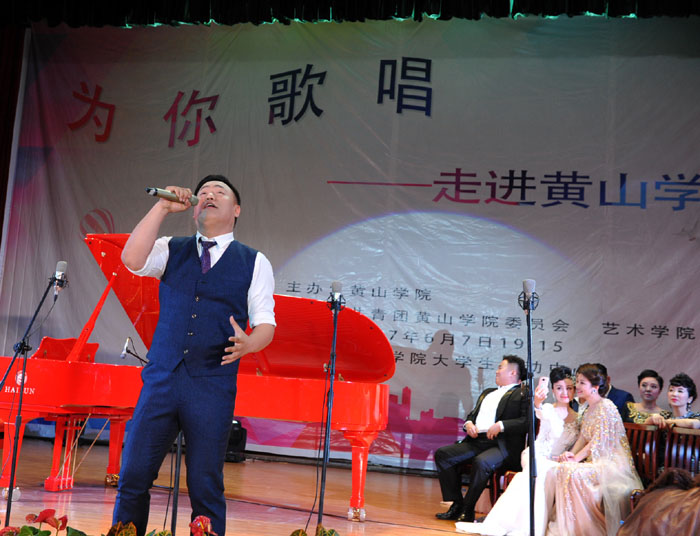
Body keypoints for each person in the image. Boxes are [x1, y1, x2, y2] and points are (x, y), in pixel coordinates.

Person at [112, 175, 276, 536]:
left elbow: (266, 322)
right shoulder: (172, 247)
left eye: (220, 192)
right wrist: (162, 207)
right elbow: (131, 259)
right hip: (162, 379)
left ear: (236, 209)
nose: (209, 195)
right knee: (134, 474)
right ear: (193, 209)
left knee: (205, 484)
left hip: (211, 386)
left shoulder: (254, 261)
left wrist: (250, 343)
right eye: (203, 193)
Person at [456, 366, 579, 536]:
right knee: (540, 469)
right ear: (552, 390)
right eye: (559, 388)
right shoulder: (548, 409)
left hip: (559, 460)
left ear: (575, 390)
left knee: (548, 471)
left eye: (569, 388)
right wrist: (537, 402)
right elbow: (539, 411)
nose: (564, 392)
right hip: (538, 454)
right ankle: (519, 524)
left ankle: (533, 524)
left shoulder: (579, 418)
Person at [546, 363, 641, 536]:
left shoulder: (606, 406)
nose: (577, 386)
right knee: (564, 468)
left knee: (572, 472)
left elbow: (598, 441)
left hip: (611, 463)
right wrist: (571, 455)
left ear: (595, 387)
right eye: (577, 381)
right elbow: (583, 438)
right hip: (594, 461)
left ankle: (587, 528)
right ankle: (571, 527)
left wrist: (576, 459)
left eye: (582, 383)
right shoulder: (589, 409)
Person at [434, 355, 528, 523]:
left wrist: (501, 425)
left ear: (513, 372)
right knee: (443, 454)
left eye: (500, 367)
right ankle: (457, 504)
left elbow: (526, 421)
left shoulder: (522, 393)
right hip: (477, 441)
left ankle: (468, 509)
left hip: (501, 445)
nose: (497, 371)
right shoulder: (488, 393)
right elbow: (472, 415)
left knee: (482, 462)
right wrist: (469, 424)